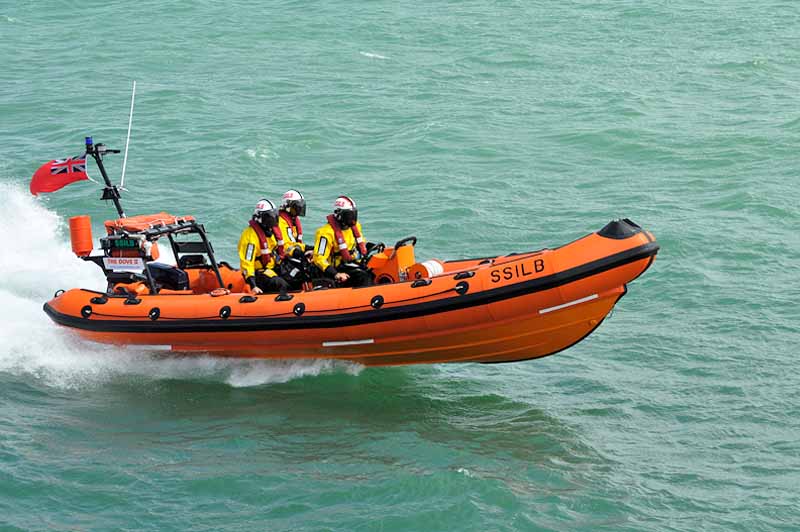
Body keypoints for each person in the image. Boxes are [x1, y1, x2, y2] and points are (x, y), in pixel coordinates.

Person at [312, 195, 373, 288]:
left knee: (372, 271)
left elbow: (361, 243)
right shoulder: (325, 233)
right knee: (363, 276)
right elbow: (319, 258)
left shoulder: (355, 227)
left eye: (353, 215)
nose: (352, 219)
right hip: (337, 268)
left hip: (353, 262)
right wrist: (336, 274)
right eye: (349, 216)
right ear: (339, 215)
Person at [237, 198, 289, 295]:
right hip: (259, 273)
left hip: (272, 267)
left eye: (274, 217)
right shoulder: (250, 236)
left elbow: (279, 250)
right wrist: (253, 285)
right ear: (260, 218)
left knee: (294, 276)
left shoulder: (270, 232)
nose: (272, 221)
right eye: (269, 218)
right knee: (280, 284)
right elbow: (247, 263)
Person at [275, 189, 311, 290]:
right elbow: (287, 247)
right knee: (301, 275)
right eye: (297, 207)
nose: (299, 210)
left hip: (291, 257)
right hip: (282, 261)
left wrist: (309, 248)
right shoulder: (281, 222)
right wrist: (301, 253)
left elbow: (295, 244)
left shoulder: (293, 221)